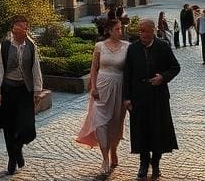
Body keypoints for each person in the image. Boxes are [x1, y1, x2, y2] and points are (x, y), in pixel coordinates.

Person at [122, 19, 180, 180]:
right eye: (140, 31)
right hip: (138, 95)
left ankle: (156, 163)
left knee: (158, 131)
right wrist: (126, 98)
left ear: (153, 31)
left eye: (145, 31)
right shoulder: (133, 48)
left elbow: (175, 67)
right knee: (141, 131)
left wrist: (163, 77)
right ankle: (143, 163)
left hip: (158, 95)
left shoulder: (163, 46)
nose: (142, 34)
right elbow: (127, 74)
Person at [0, 15, 44, 175]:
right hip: (8, 90)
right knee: (9, 126)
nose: (25, 28)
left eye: (26, 26)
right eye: (22, 25)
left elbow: (35, 68)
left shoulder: (31, 45)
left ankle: (17, 147)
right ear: (14, 28)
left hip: (24, 91)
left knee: (27, 127)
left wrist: (37, 90)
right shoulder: (5, 45)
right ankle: (12, 158)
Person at [77, 18, 129, 177]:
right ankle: (105, 159)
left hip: (119, 88)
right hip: (101, 88)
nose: (121, 31)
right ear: (109, 31)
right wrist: (93, 87)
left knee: (116, 123)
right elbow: (94, 68)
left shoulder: (128, 47)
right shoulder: (99, 46)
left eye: (121, 28)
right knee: (100, 122)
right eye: (118, 29)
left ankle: (114, 150)